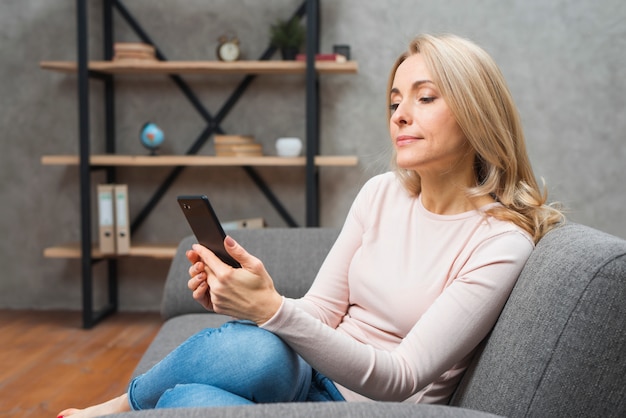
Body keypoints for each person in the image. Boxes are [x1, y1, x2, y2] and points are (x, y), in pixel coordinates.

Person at [57, 33, 564, 417]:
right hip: (310, 373)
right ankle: (120, 407)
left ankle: (119, 409)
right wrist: (253, 299)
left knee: (188, 398)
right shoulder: (381, 193)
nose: (401, 115)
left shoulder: (500, 240)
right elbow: (320, 310)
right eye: (394, 102)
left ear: (477, 112)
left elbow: (401, 376)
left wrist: (272, 310)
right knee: (251, 351)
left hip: (369, 407)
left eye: (425, 98)